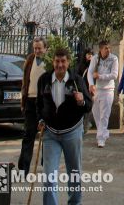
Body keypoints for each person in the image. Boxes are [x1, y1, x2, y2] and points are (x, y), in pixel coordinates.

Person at [37, 47, 92, 205]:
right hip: (50, 133)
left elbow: (88, 105)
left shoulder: (77, 81)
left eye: (63, 61)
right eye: (57, 61)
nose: (60, 64)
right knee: (49, 176)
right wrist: (40, 119)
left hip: (72, 132)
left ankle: (74, 202)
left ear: (68, 63)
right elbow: (39, 104)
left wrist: (81, 100)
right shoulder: (44, 80)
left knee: (74, 173)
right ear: (53, 62)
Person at [18, 36, 47, 176]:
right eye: (35, 48)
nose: (37, 50)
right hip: (30, 100)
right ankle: (23, 168)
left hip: (44, 103)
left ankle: (46, 164)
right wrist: (22, 98)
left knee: (47, 136)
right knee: (28, 135)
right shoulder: (29, 60)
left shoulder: (49, 62)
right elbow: (25, 80)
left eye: (39, 48)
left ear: (45, 48)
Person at [87, 40, 119, 148]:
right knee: (96, 113)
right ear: (100, 49)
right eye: (106, 48)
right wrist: (91, 84)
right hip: (97, 89)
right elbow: (90, 72)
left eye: (109, 48)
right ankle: (104, 133)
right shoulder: (95, 58)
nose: (108, 50)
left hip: (108, 89)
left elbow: (114, 75)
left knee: (104, 115)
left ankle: (100, 138)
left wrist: (100, 76)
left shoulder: (114, 58)